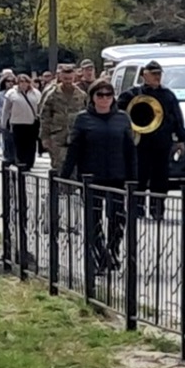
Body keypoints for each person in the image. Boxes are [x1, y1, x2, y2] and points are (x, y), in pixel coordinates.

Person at [61, 79, 136, 271]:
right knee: (94, 220)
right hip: (91, 177)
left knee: (118, 218)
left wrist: (133, 179)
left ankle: (113, 250)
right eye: (100, 95)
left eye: (108, 95)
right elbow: (74, 150)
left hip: (117, 177)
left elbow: (130, 150)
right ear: (92, 97)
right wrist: (64, 176)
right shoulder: (83, 119)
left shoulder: (122, 118)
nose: (104, 99)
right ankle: (100, 255)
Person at [119, 60, 184, 216]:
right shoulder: (132, 94)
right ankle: (137, 208)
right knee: (139, 176)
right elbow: (120, 113)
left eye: (159, 74)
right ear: (144, 75)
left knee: (160, 177)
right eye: (154, 74)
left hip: (162, 142)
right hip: (139, 142)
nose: (157, 77)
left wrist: (181, 139)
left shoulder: (168, 95)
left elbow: (177, 117)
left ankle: (157, 210)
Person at [39, 66, 87, 174]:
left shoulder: (81, 95)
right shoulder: (52, 94)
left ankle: (72, 189)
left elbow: (86, 116)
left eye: (70, 79)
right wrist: (44, 137)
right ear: (60, 77)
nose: (68, 82)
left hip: (76, 135)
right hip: (57, 135)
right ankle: (59, 189)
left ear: (74, 77)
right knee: (59, 165)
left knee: (75, 165)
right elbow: (45, 117)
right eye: (65, 79)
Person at [0, 74, 42, 169]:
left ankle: (29, 163)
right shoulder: (11, 93)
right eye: (21, 81)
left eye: (26, 81)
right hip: (17, 123)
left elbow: (40, 108)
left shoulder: (36, 93)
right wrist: (3, 123)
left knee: (31, 144)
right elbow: (6, 110)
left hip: (32, 123)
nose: (23, 84)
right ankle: (21, 163)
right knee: (19, 144)